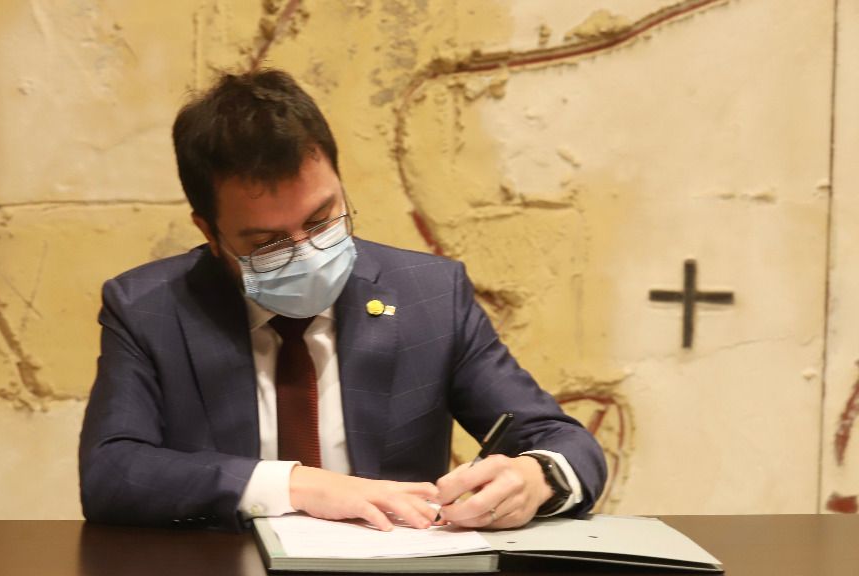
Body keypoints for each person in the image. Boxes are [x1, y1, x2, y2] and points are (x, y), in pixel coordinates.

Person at [79, 68, 606, 532]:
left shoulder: (430, 296)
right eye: (267, 242)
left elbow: (563, 440)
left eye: (321, 220)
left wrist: (534, 477)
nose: (306, 252)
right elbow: (112, 472)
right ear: (209, 233)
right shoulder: (149, 309)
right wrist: (297, 485)